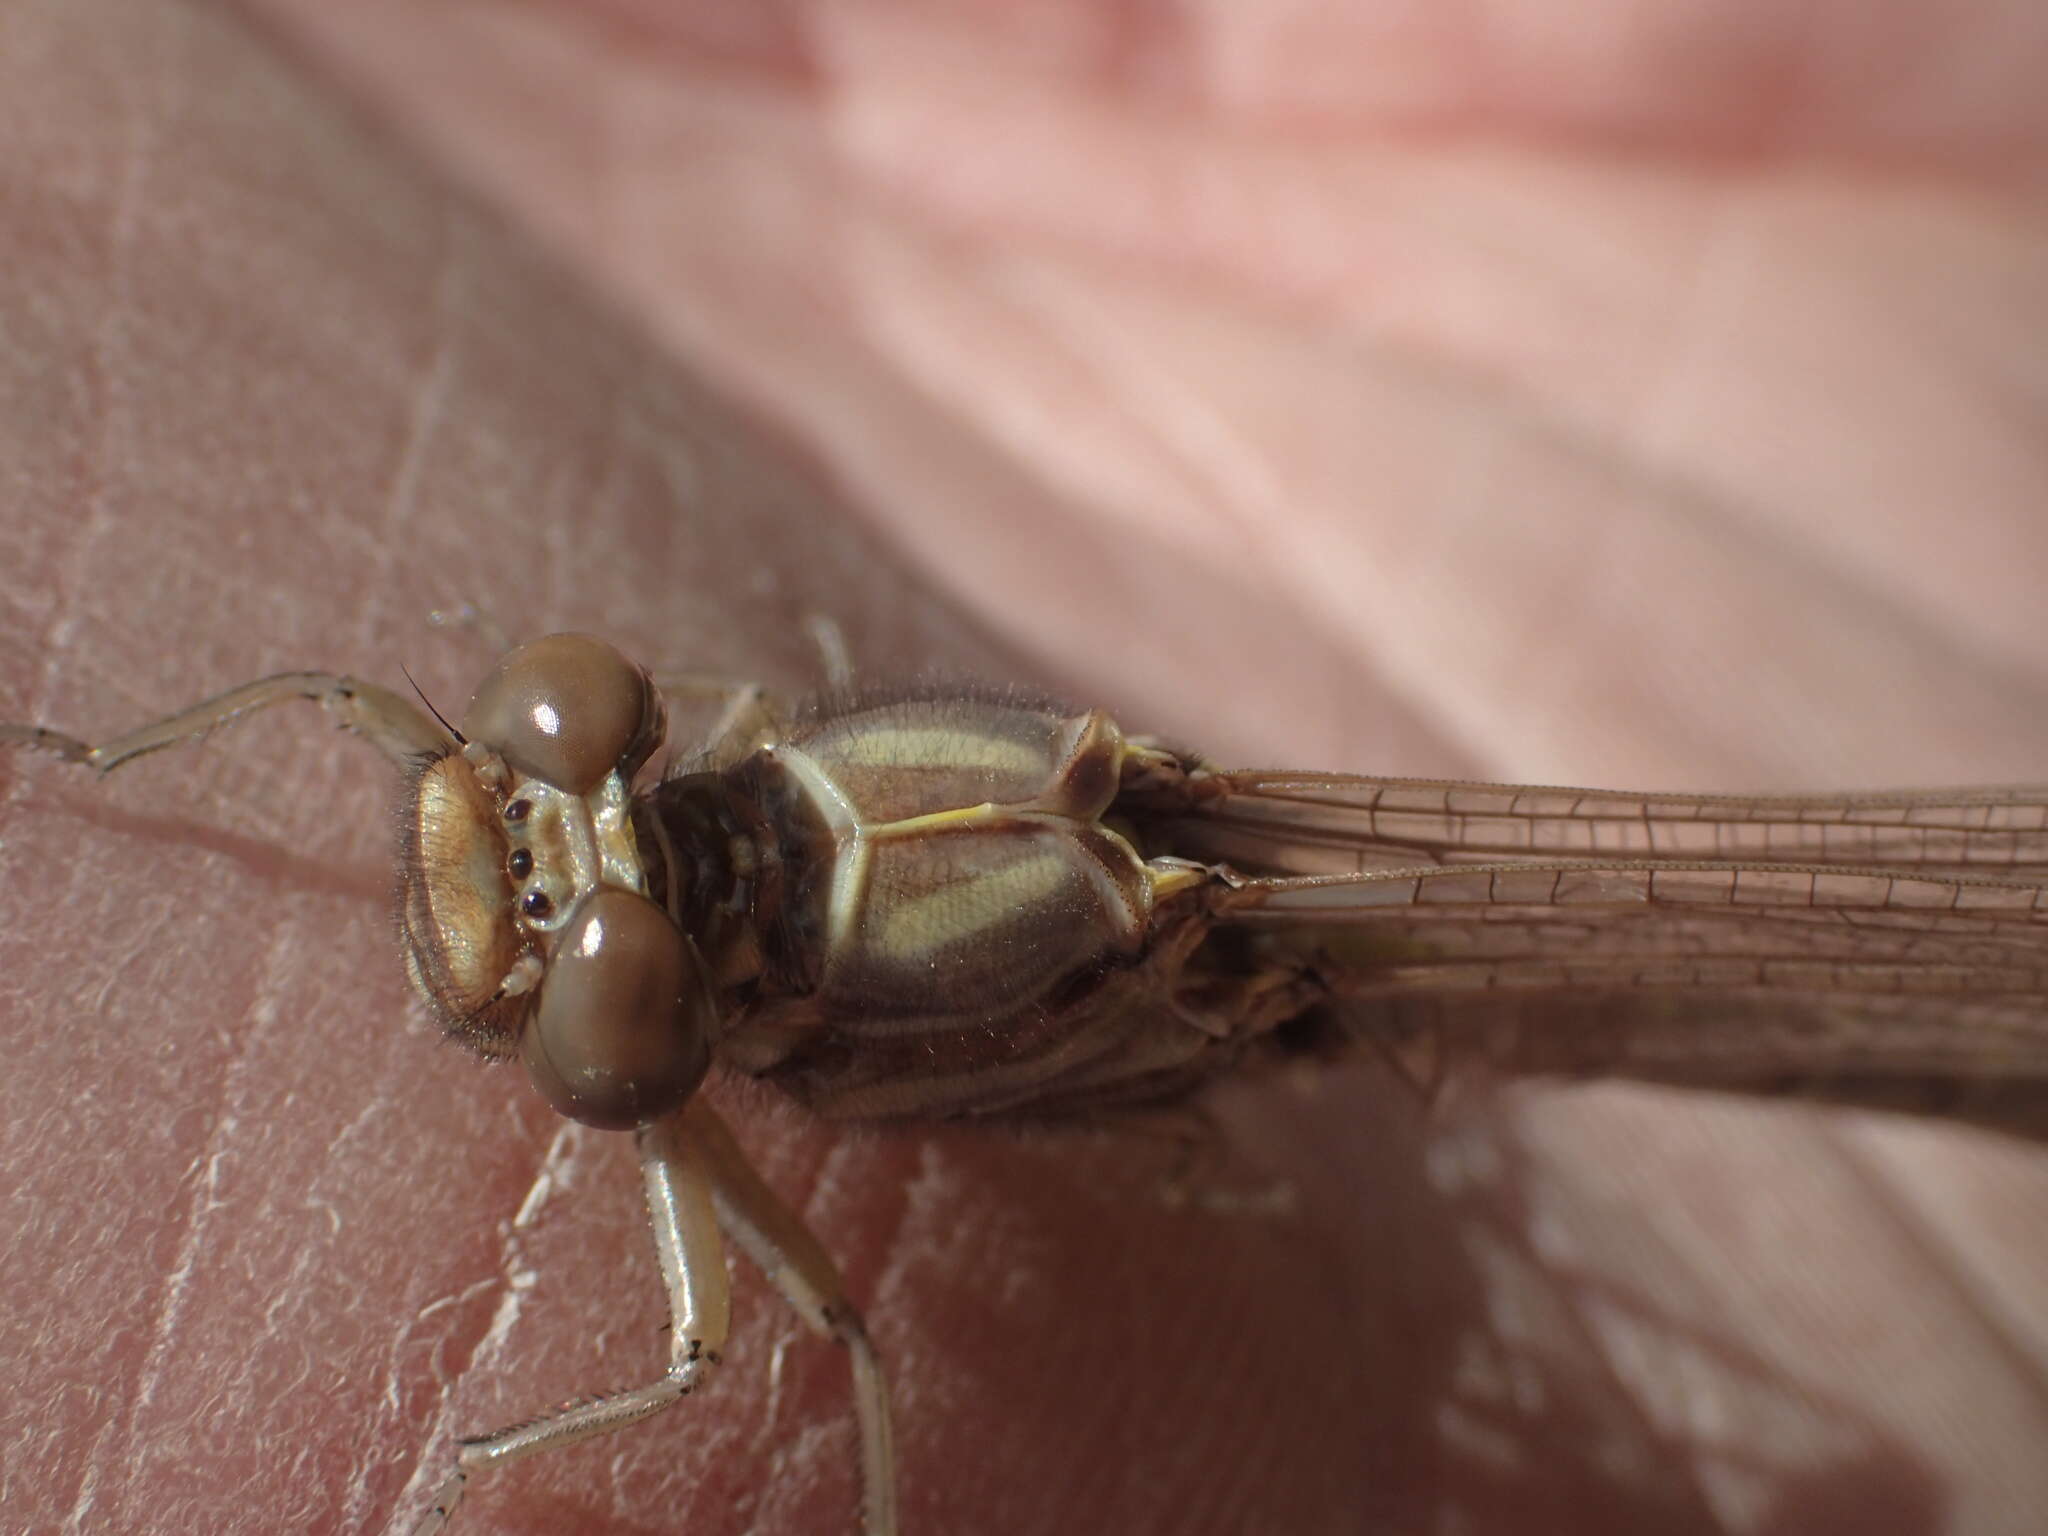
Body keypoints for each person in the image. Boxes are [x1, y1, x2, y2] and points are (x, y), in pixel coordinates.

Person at [5, 4, 2043, 1532]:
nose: (539, 853)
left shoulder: (726, 931)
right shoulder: (728, 773)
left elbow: (804, 1345)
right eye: (565, 797)